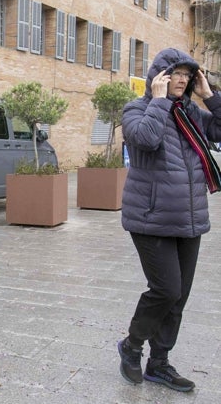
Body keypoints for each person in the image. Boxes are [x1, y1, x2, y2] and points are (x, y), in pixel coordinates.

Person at [117, 48, 221, 392]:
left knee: (179, 297)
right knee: (165, 289)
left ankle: (158, 363)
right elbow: (144, 140)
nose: (183, 79)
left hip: (189, 218)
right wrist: (160, 102)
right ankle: (131, 346)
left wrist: (212, 97)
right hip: (150, 217)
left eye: (188, 75)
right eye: (177, 73)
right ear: (159, 76)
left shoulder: (192, 112)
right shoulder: (137, 109)